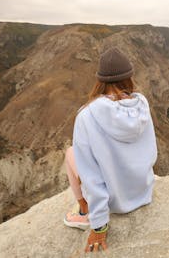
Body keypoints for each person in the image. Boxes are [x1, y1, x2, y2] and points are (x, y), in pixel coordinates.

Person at [63, 47, 158, 253]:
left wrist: (99, 226)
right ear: (129, 78)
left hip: (115, 201)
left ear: (100, 80)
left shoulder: (86, 116)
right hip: (142, 190)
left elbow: (92, 175)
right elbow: (150, 152)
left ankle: (84, 210)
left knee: (70, 153)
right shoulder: (141, 105)